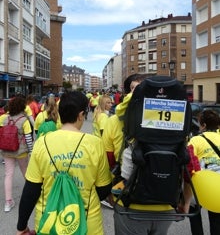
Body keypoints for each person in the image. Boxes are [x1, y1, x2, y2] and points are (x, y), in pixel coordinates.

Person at [16, 91, 112, 235]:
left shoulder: (42, 142)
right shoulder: (95, 144)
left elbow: (31, 189)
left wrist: (21, 226)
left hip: (48, 222)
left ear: (60, 114)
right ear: (81, 115)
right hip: (86, 223)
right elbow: (103, 189)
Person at [102, 74, 174, 235]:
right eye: (135, 88)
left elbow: (109, 159)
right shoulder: (173, 120)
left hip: (131, 201)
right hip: (165, 199)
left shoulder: (114, 121)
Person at [180, 110, 220, 235]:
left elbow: (189, 168)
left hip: (200, 187)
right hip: (218, 187)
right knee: (216, 220)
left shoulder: (195, 140)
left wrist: (185, 201)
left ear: (203, 125)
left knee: (194, 214)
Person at [1, 96, 33, 213]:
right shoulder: (24, 120)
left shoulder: (4, 119)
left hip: (7, 150)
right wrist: (31, 151)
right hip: (20, 151)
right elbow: (29, 138)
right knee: (27, 174)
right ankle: (31, 197)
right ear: (22, 107)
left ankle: (8, 202)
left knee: (8, 175)